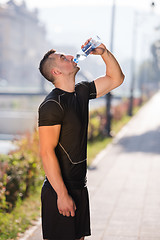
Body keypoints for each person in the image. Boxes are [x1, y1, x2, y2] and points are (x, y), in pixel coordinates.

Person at [38, 38, 125, 240]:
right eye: (62, 57)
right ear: (56, 72)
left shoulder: (82, 92)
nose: (70, 56)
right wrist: (61, 194)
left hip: (79, 186)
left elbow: (116, 79)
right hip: (59, 190)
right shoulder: (51, 105)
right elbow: (46, 152)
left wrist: (104, 53)